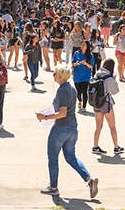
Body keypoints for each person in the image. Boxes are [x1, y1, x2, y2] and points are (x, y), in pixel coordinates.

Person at [37, 64, 100, 198]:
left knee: (53, 158)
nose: (53, 75)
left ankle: (53, 187)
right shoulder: (71, 88)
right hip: (72, 128)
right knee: (71, 157)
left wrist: (45, 117)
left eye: (55, 73)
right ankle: (89, 180)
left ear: (60, 75)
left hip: (60, 128)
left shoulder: (62, 90)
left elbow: (62, 112)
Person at [92, 58, 122, 155]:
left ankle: (95, 146)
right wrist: (114, 80)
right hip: (106, 103)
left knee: (98, 126)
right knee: (112, 126)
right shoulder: (108, 78)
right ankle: (116, 146)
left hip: (96, 103)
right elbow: (115, 91)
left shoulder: (97, 75)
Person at [71, 40, 93, 111]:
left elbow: (91, 66)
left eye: (84, 45)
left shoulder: (90, 55)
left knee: (84, 91)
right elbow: (73, 63)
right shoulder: (76, 53)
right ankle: (79, 100)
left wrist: (86, 63)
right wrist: (75, 64)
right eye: (82, 45)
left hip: (86, 76)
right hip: (77, 75)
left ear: (87, 47)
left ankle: (84, 106)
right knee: (78, 91)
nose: (82, 46)